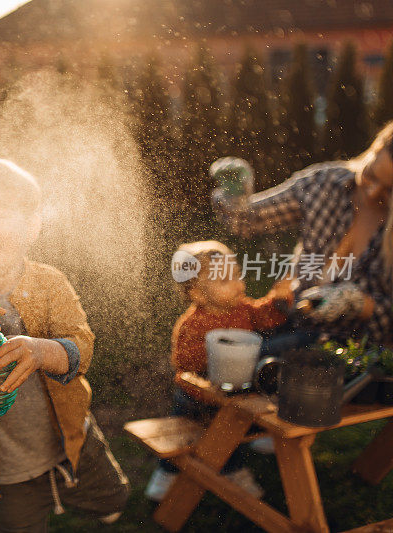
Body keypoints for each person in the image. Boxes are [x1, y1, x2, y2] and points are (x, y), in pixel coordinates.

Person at [0, 159, 129, 532]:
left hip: (70, 435)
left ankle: (102, 502)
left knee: (113, 497)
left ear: (32, 225)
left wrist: (42, 351)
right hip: (7, 457)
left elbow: (81, 344)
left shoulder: (50, 283)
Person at [212, 122, 393, 348]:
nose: (372, 191)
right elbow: (247, 222)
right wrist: (235, 196)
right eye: (372, 175)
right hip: (294, 324)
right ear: (375, 147)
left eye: (389, 189)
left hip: (359, 352)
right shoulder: (323, 185)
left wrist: (360, 304)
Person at [144, 240, 293, 502]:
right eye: (226, 281)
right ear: (198, 294)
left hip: (232, 392)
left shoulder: (243, 309)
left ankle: (233, 469)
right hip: (196, 398)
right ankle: (167, 472)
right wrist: (209, 371)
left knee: (229, 431)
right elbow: (183, 366)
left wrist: (279, 302)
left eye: (238, 276)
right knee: (184, 437)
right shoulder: (192, 325)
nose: (239, 285)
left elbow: (265, 317)